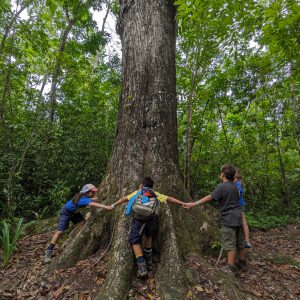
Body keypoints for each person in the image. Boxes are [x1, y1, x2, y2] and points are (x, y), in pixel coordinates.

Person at [108, 177, 185, 277]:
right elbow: (168, 198)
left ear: (142, 184)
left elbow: (124, 199)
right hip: (151, 218)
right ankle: (149, 263)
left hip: (138, 218)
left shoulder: (138, 192)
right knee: (149, 236)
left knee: (134, 240)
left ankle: (142, 267)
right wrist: (183, 203)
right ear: (151, 186)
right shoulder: (155, 193)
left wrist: (113, 205)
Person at [183, 164, 248, 273]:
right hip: (238, 217)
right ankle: (242, 262)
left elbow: (210, 197)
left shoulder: (222, 186)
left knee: (230, 244)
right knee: (240, 242)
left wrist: (194, 204)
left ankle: (230, 267)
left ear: (223, 174)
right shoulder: (236, 187)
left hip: (228, 219)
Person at [44, 183, 110, 263]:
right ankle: (48, 252)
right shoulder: (83, 199)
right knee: (60, 232)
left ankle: (79, 236)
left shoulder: (82, 197)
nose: (93, 193)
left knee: (82, 222)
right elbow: (93, 204)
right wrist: (106, 206)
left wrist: (93, 199)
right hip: (66, 213)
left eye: (93, 192)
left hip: (74, 213)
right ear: (86, 192)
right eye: (92, 192)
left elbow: (87, 201)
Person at [234, 169, 251, 248]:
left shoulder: (238, 183)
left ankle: (247, 241)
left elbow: (237, 194)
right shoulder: (236, 183)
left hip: (240, 205)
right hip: (237, 205)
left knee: (243, 222)